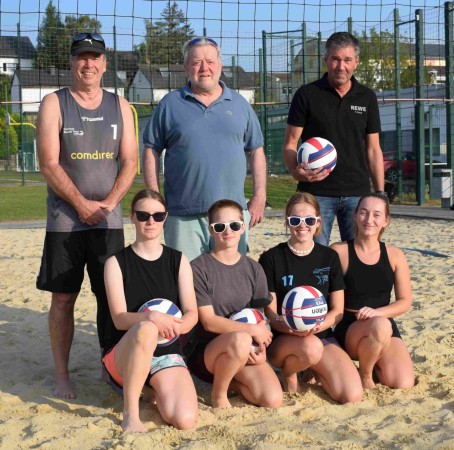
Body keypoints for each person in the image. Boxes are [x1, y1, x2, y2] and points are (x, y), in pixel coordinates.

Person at [36, 32, 138, 399]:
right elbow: (48, 163)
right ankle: (62, 375)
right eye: (82, 57)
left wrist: (109, 203)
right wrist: (80, 204)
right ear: (72, 63)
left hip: (108, 219)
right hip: (66, 219)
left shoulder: (121, 105)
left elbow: (130, 162)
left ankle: (107, 366)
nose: (88, 64)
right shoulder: (54, 103)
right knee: (63, 298)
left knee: (110, 298)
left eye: (95, 57)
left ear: (105, 64)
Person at [142, 36, 267, 261]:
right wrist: (154, 197)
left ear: (219, 65)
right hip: (182, 214)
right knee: (187, 283)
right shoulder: (170, 104)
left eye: (210, 61)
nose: (204, 68)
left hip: (231, 215)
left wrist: (259, 195)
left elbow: (256, 150)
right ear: (186, 67)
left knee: (231, 283)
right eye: (197, 62)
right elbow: (151, 149)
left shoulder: (239, 104)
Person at [102, 189, 199, 432]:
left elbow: (191, 314)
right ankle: (131, 413)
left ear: (165, 217)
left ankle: (151, 385)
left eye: (157, 215)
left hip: (165, 352)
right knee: (145, 328)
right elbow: (119, 319)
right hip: (126, 353)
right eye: (143, 215)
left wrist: (178, 326)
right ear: (132, 217)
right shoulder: (116, 263)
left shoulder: (178, 260)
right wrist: (152, 317)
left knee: (185, 420)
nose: (150, 221)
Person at [258, 192, 363, 404]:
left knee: (351, 395)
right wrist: (290, 327)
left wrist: (319, 325)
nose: (302, 225)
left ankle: (310, 368)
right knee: (310, 348)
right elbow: (270, 312)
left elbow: (338, 311)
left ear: (317, 223)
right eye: (295, 220)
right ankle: (289, 372)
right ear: (288, 222)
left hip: (321, 335)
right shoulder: (271, 258)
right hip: (285, 340)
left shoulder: (329, 257)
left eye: (309, 220)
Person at [282, 32, 385, 246]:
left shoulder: (367, 97)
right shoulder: (307, 94)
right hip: (316, 192)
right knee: (314, 258)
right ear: (326, 60)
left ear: (356, 62)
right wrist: (295, 171)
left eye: (347, 60)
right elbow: (290, 143)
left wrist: (380, 192)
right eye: (335, 59)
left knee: (359, 257)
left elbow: (374, 149)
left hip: (357, 193)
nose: (341, 66)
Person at [186, 199, 283, 409]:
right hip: (208, 352)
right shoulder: (198, 268)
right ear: (211, 230)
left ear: (243, 227)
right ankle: (219, 395)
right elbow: (209, 322)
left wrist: (261, 347)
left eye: (234, 225)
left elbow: (259, 319)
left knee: (272, 399)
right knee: (239, 339)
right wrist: (250, 331)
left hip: (245, 347)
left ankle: (235, 385)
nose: (227, 231)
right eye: (220, 226)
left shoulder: (254, 269)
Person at [331, 193, 415, 390]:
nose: (369, 220)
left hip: (383, 324)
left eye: (377, 215)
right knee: (380, 326)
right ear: (355, 215)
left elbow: (405, 301)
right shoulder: (339, 251)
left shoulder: (395, 255)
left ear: (386, 221)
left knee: (402, 383)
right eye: (364, 213)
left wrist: (378, 313)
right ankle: (365, 374)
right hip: (351, 327)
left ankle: (376, 359)